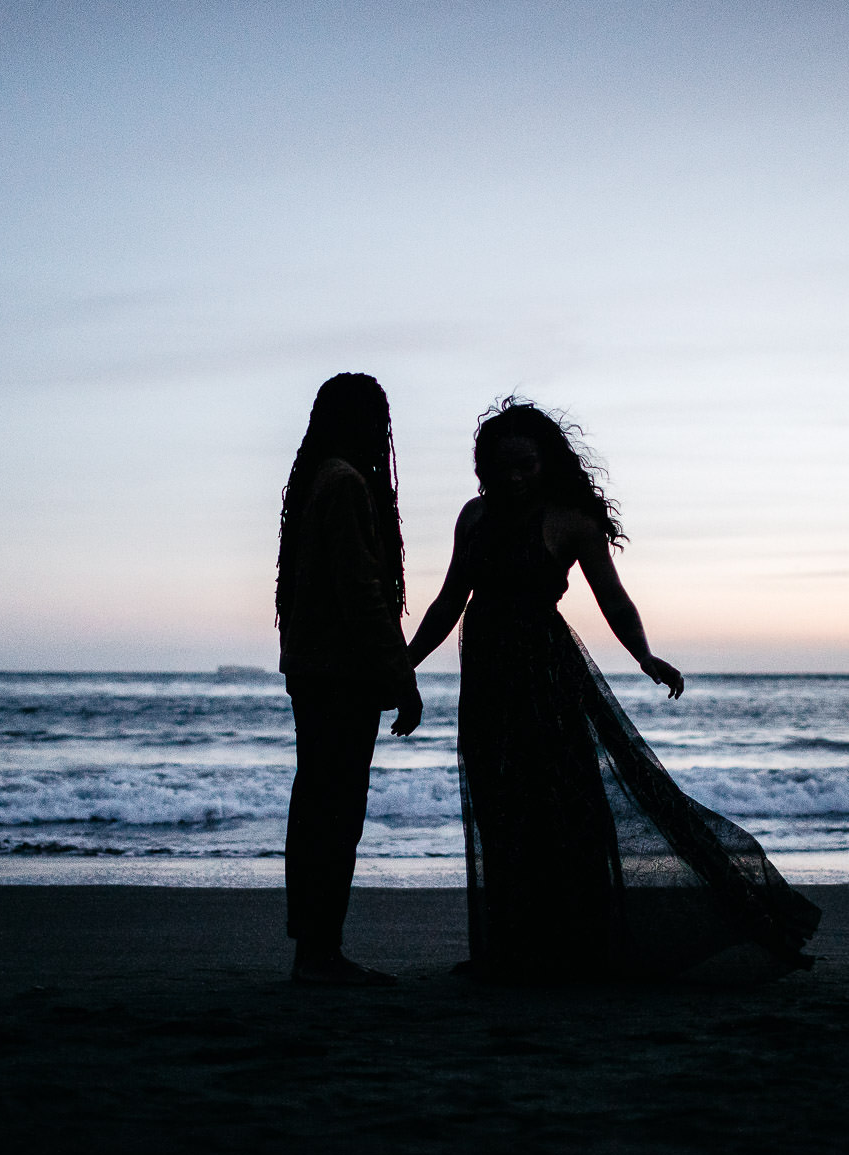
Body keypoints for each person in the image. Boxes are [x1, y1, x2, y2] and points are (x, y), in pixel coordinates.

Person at [405, 399, 820, 981]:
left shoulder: (571, 521)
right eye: (504, 467)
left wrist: (646, 658)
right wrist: (405, 666)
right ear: (483, 468)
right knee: (500, 814)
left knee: (560, 813)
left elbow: (614, 600)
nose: (515, 477)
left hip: (546, 681)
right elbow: (450, 600)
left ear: (545, 464)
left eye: (527, 465)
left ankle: (576, 950)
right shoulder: (472, 518)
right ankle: (509, 952)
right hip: (487, 685)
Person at [276, 373, 423, 986]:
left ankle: (313, 947)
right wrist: (400, 675)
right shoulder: (346, 483)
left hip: (312, 668)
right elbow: (362, 590)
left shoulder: (316, 477)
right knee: (335, 811)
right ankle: (320, 953)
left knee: (317, 806)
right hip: (340, 673)